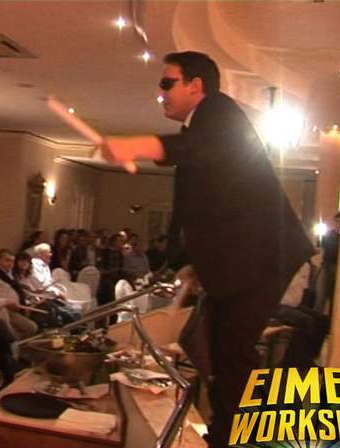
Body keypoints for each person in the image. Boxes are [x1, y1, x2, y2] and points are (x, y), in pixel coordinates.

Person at [100, 51, 313, 447]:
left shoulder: (219, 113)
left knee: (231, 353)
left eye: (167, 83)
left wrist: (137, 145)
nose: (161, 92)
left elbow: (201, 150)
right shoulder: (201, 130)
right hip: (243, 258)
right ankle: (226, 431)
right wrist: (187, 262)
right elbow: (201, 208)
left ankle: (232, 436)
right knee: (215, 348)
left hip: (261, 257)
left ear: (195, 85)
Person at [0, 249, 38, 339]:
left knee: (32, 327)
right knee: (31, 328)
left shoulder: (6, 274)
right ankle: (11, 340)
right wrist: (7, 302)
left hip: (13, 310)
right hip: (3, 311)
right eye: (7, 260)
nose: (10, 264)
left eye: (12, 261)